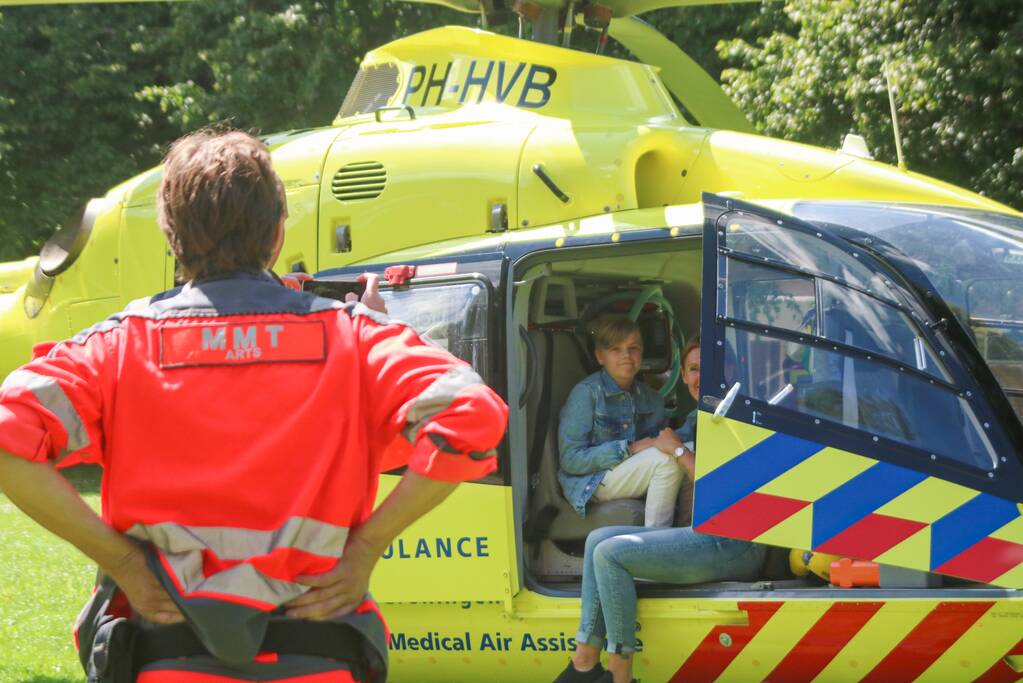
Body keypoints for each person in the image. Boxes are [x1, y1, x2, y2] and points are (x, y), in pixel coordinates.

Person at [0, 130, 508, 681]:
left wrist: (124, 563)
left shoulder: (118, 346)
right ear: (278, 231)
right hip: (320, 658)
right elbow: (471, 416)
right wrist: (367, 547)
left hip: (168, 661)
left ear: (171, 236)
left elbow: (9, 436)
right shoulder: (354, 336)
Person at [553, 338, 767, 683]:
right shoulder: (700, 418)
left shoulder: (743, 418)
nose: (703, 377)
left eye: (713, 368)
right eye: (695, 369)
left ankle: (620, 674)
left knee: (610, 554)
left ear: (732, 372)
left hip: (736, 542)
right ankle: (584, 661)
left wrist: (680, 452)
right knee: (597, 540)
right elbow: (665, 446)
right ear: (683, 376)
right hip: (703, 537)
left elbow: (725, 492)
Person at [558, 315, 684, 527]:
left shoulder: (652, 398)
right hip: (593, 480)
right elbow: (571, 459)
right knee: (667, 461)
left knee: (687, 453)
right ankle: (655, 546)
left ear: (641, 352)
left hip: (632, 473)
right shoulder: (587, 393)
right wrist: (633, 447)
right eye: (615, 349)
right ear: (600, 356)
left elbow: (663, 443)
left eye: (633, 348)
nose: (626, 355)